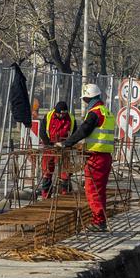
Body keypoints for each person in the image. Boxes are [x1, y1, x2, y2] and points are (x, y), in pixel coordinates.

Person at [57, 84, 116, 232]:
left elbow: (83, 130)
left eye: (85, 100)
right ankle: (100, 220)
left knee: (92, 190)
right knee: (100, 190)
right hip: (105, 157)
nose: (84, 103)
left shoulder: (95, 113)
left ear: (88, 98)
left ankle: (98, 221)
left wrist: (66, 143)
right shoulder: (106, 111)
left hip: (96, 158)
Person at [38, 101, 75, 198]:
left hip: (64, 148)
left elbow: (75, 134)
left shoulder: (71, 119)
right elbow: (42, 132)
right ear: (56, 111)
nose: (63, 115)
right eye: (61, 113)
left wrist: (67, 144)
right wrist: (49, 143)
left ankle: (65, 195)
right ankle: (46, 196)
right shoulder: (49, 116)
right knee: (47, 172)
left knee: (65, 172)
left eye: (64, 113)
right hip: (49, 147)